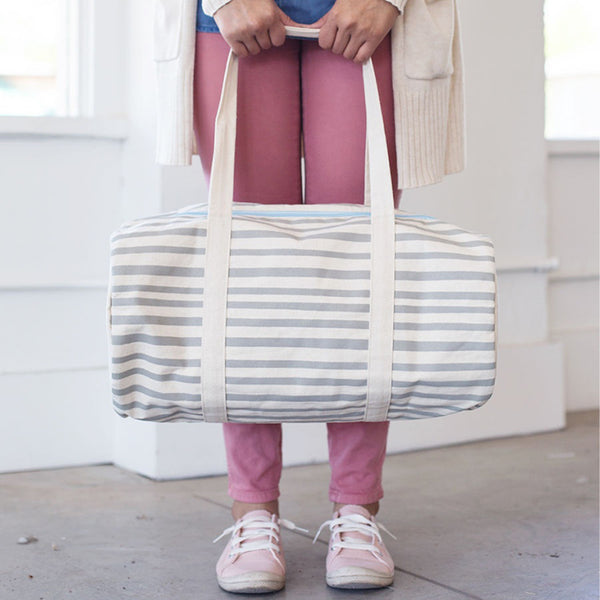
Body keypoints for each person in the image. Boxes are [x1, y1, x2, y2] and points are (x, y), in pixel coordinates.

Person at [152, 0, 466, 592]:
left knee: (360, 267)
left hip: (371, 13)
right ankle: (252, 513)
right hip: (228, 15)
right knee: (245, 268)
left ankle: (356, 510)